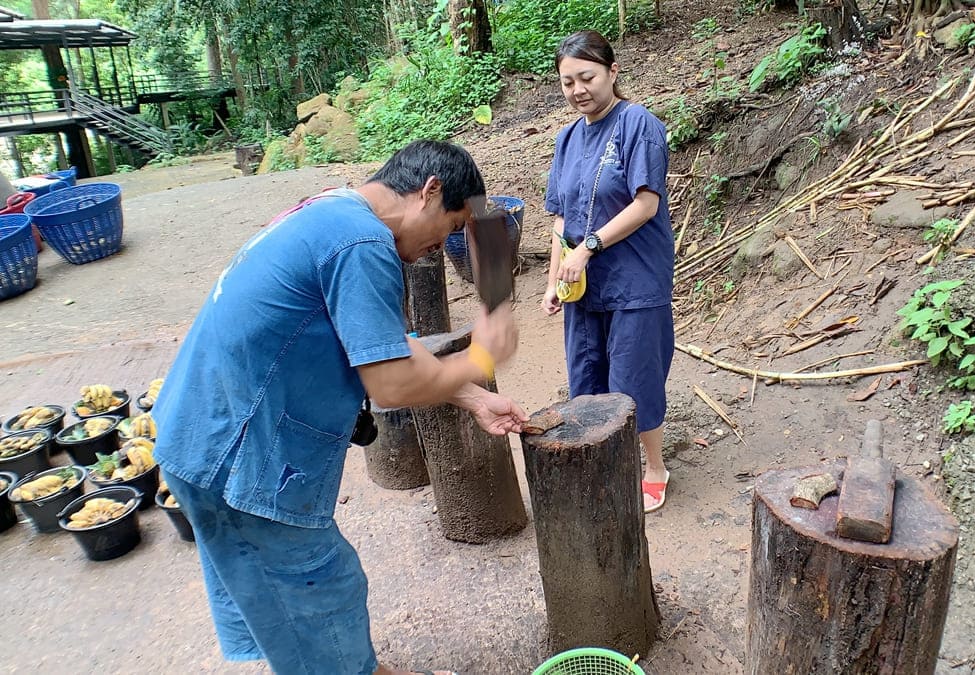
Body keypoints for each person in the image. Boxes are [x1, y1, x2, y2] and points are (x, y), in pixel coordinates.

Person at [153, 140, 525, 675]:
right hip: (236, 454)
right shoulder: (362, 244)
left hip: (198, 433)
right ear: (430, 191)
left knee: (282, 596)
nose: (443, 246)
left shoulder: (334, 210)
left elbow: (387, 344)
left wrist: (473, 396)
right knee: (319, 586)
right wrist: (482, 356)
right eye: (452, 226)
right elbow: (391, 385)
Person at [540, 30, 675, 513]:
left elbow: (645, 204)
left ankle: (655, 466)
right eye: (567, 81)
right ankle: (605, 464)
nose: (578, 89)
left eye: (587, 77)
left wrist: (589, 247)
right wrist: (556, 274)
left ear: (612, 72)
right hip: (583, 283)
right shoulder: (568, 138)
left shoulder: (638, 124)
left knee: (634, 376)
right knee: (587, 375)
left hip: (636, 278)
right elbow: (561, 215)